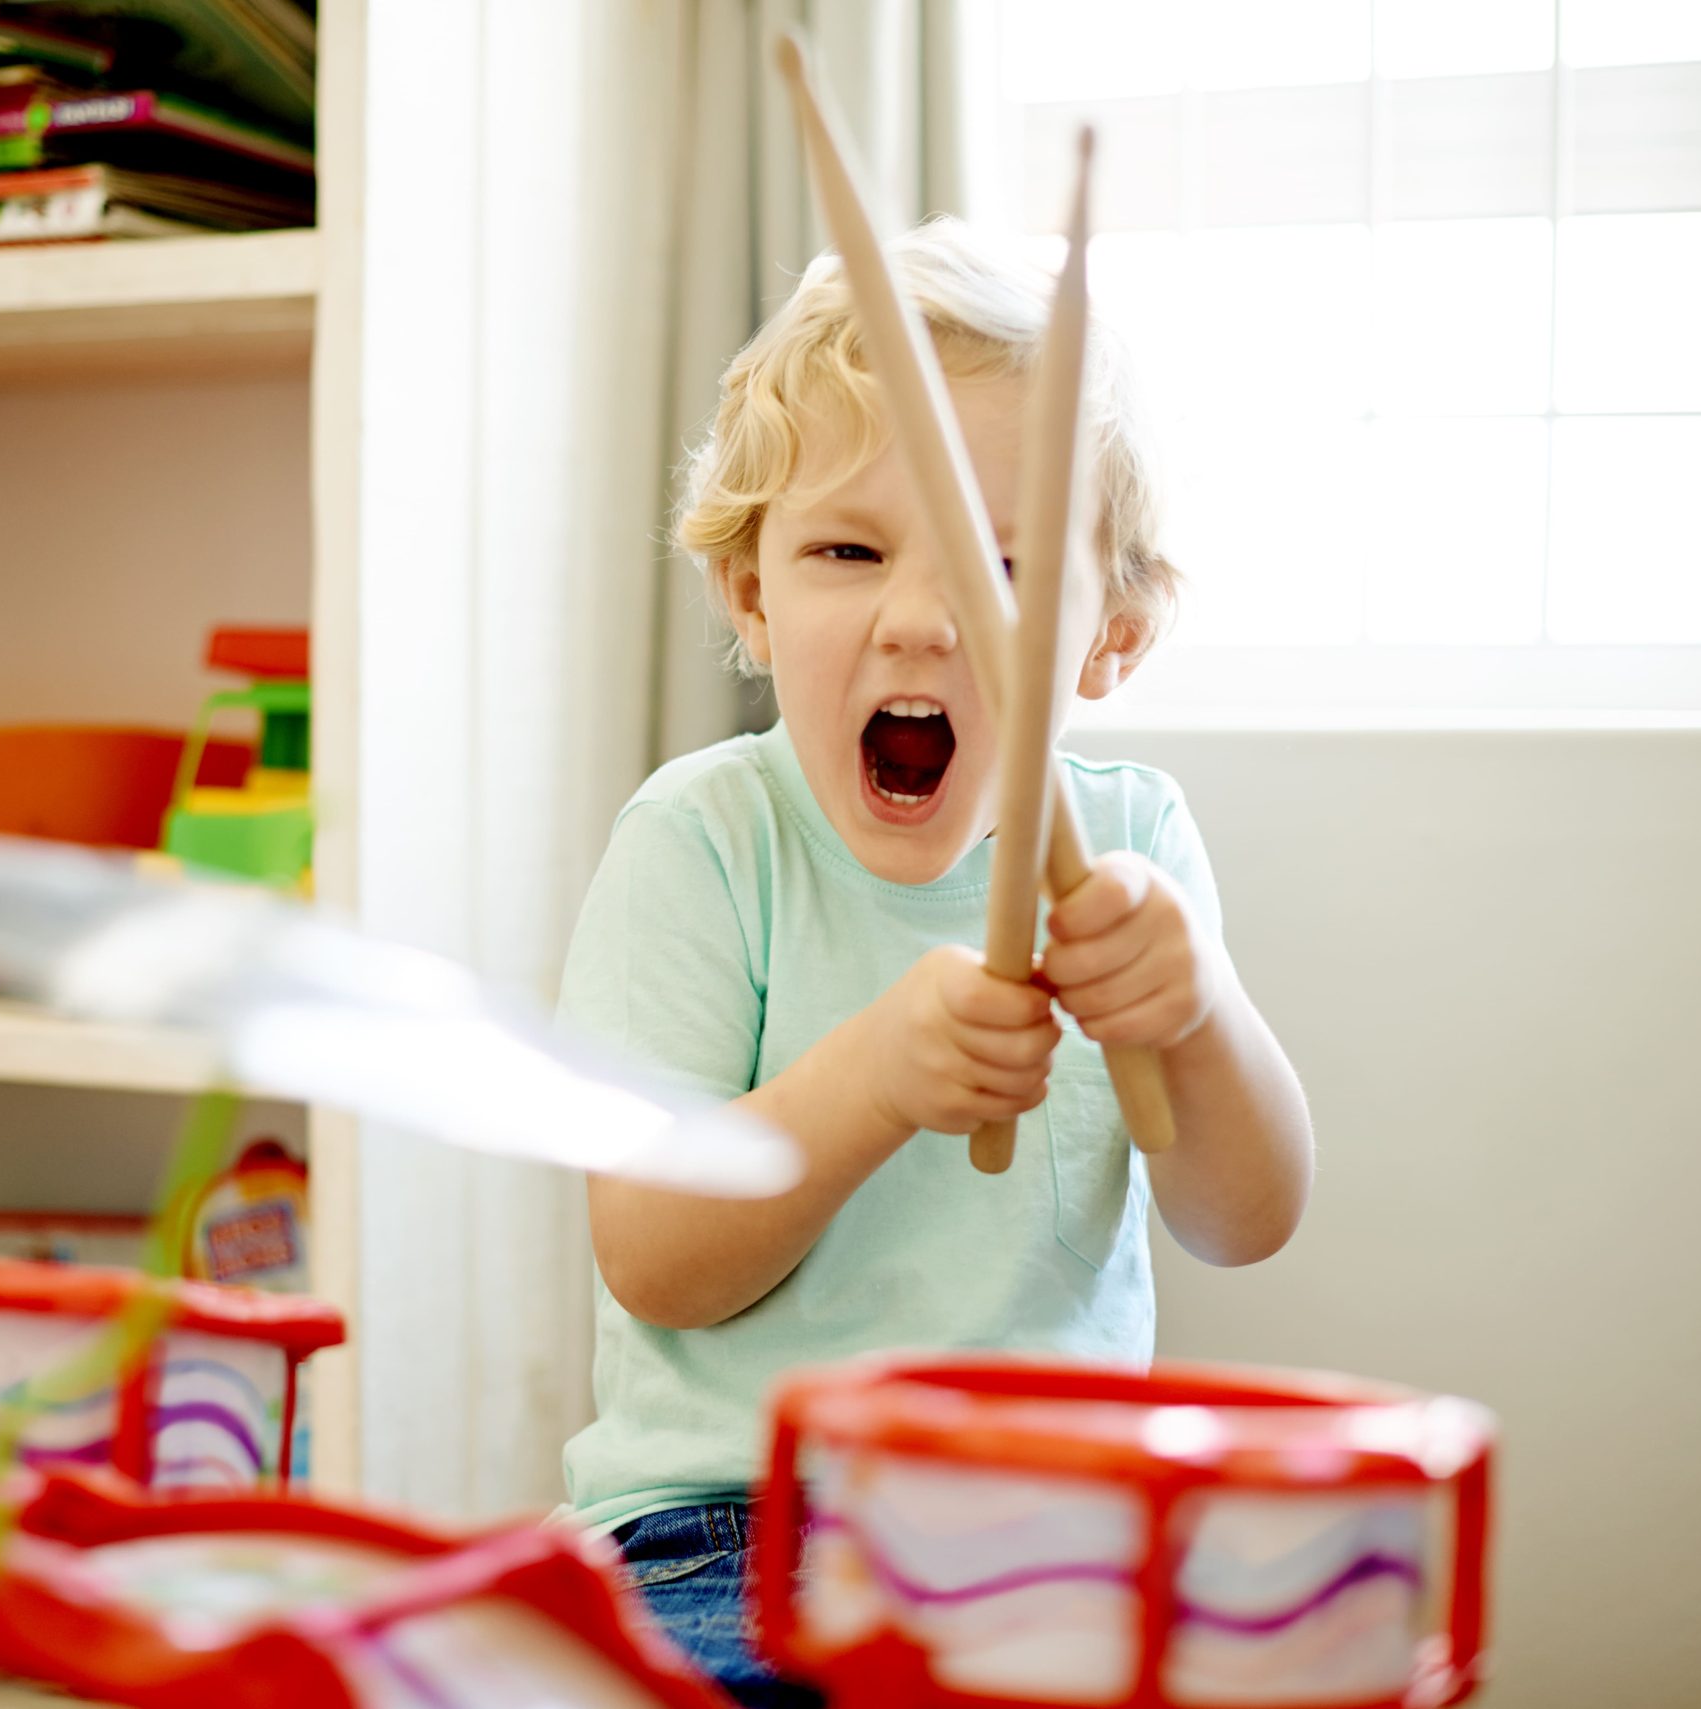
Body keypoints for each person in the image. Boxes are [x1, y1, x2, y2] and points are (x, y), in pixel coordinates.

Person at [559, 218, 1315, 1707]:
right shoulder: (702, 841)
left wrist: (1200, 1010)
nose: (920, 616)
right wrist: (871, 1079)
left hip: (1066, 1527)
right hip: (738, 1528)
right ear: (753, 595)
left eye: (1008, 567)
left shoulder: (1134, 840)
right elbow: (653, 1253)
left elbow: (1247, 1217)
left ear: (1118, 631)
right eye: (849, 549)